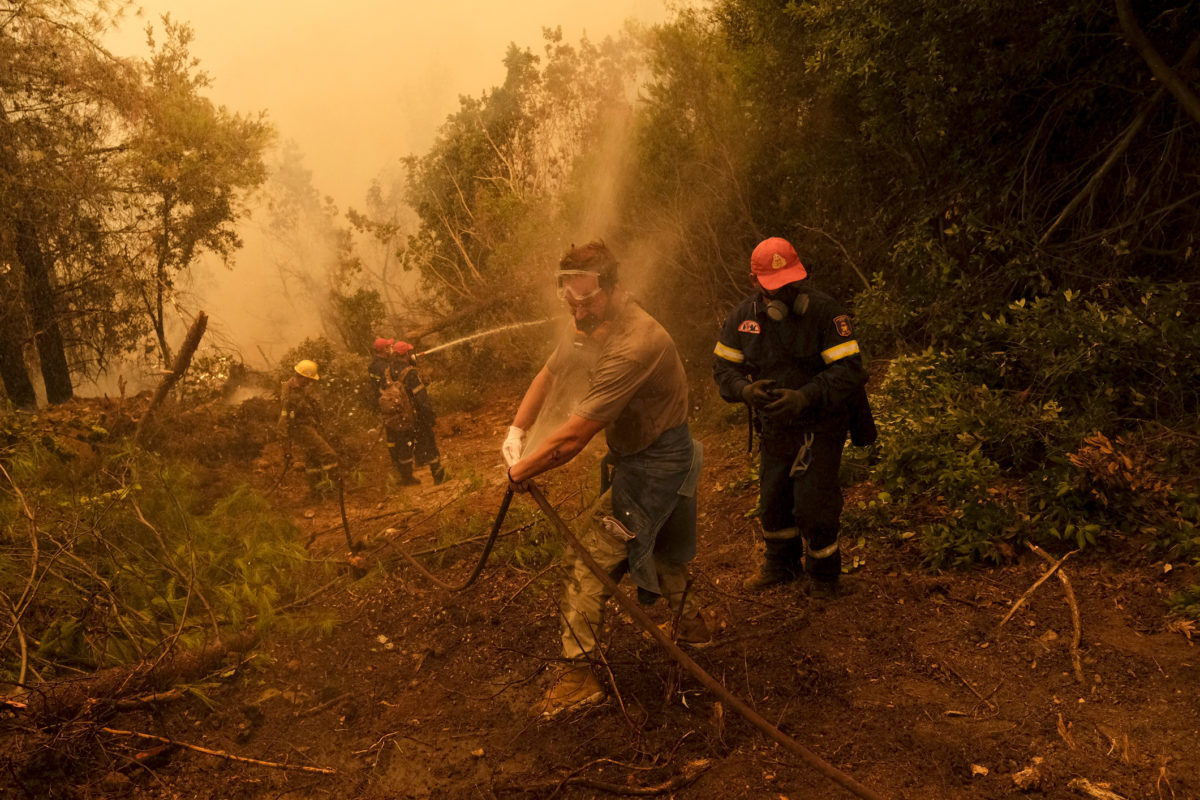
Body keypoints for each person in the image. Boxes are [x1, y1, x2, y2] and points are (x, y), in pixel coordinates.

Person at [503, 240, 709, 719]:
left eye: (588, 294)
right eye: (568, 295)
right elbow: (550, 375)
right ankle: (696, 628)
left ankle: (578, 677)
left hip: (656, 466)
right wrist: (517, 431)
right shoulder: (588, 324)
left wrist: (521, 470)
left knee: (587, 558)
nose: (578, 306)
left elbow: (573, 439)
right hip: (649, 459)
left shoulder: (636, 343)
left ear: (614, 286)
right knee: (658, 547)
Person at [712, 237, 869, 596]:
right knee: (774, 501)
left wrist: (805, 396)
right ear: (754, 282)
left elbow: (850, 371)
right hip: (774, 428)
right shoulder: (742, 319)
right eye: (774, 286)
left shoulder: (826, 313)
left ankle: (825, 575)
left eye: (789, 284)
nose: (784, 293)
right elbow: (723, 370)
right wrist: (744, 391)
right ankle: (781, 566)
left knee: (815, 505)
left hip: (820, 424)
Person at [380, 340, 446, 486]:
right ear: (406, 354)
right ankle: (439, 476)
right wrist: (429, 417)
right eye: (409, 352)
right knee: (430, 445)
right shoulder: (411, 373)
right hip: (417, 417)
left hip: (399, 417)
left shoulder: (388, 372)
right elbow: (421, 398)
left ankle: (407, 478)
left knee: (404, 446)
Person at [277, 359, 339, 495]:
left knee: (313, 461)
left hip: (308, 427)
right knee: (329, 455)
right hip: (302, 430)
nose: (310, 382)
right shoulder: (290, 396)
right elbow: (283, 422)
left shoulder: (298, 389)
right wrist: (286, 447)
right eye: (308, 379)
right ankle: (333, 489)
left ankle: (316, 492)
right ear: (303, 377)